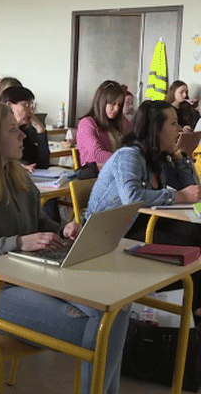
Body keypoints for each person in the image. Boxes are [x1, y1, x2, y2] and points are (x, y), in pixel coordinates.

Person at [0, 102, 128, 394]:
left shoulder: (17, 174)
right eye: (13, 130)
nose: (23, 135)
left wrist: (62, 229)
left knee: (118, 305)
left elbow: (39, 222)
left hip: (36, 274)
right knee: (101, 329)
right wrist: (17, 243)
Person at [87, 99, 201, 319]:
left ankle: (191, 307)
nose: (179, 129)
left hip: (144, 221)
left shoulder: (158, 156)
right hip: (116, 231)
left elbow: (191, 189)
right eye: (174, 124)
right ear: (155, 129)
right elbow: (132, 197)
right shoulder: (128, 155)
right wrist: (179, 196)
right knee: (191, 251)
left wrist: (180, 156)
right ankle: (185, 313)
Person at [76, 80, 125, 168]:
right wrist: (123, 159)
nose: (116, 109)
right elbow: (96, 154)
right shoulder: (86, 123)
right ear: (102, 102)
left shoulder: (113, 124)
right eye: (113, 104)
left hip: (114, 172)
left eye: (119, 105)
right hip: (94, 178)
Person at [0, 86, 49, 170]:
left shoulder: (24, 131)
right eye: (26, 105)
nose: (31, 111)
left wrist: (40, 129)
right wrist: (19, 167)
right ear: (9, 105)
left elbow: (43, 165)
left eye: (31, 106)